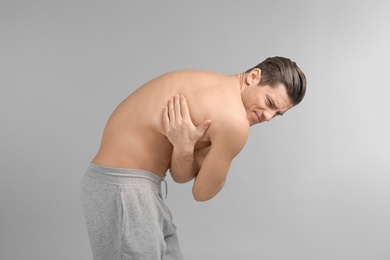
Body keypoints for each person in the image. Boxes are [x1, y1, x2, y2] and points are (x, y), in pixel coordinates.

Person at [80, 56, 306, 260]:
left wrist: (184, 147)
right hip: (124, 190)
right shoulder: (234, 122)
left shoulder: (209, 85)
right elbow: (202, 192)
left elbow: (180, 174)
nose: (268, 117)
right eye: (269, 103)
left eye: (277, 114)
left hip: (140, 190)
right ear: (254, 76)